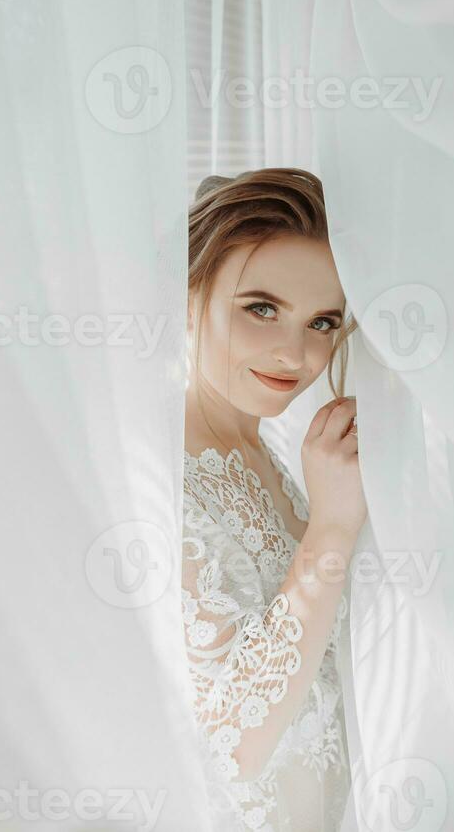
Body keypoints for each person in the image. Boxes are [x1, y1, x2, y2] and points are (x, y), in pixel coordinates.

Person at [182, 167, 368, 832]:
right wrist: (333, 530)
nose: (296, 353)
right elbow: (232, 744)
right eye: (261, 308)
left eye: (323, 321)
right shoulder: (159, 478)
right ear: (189, 292)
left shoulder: (277, 463)